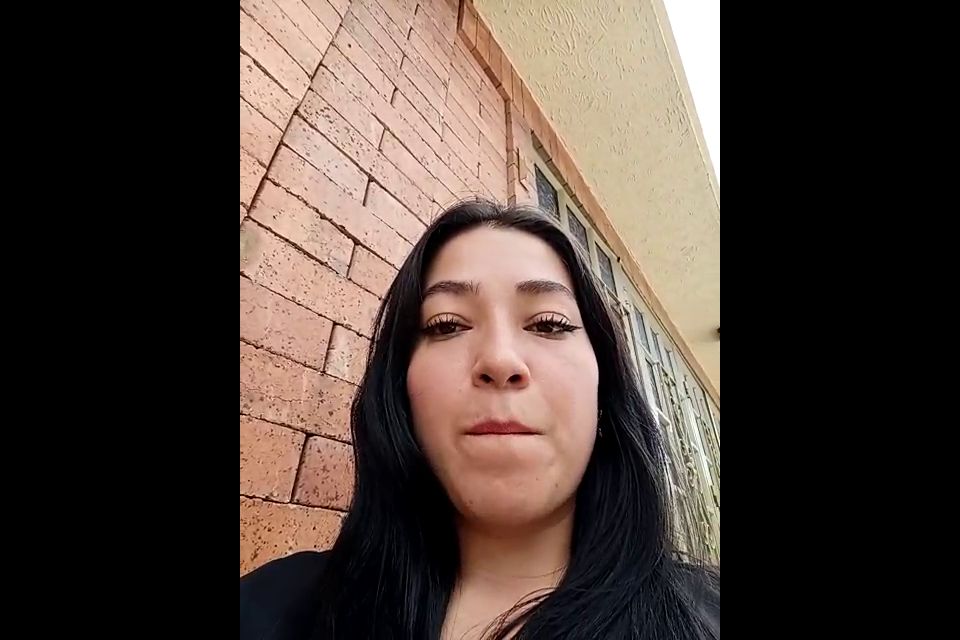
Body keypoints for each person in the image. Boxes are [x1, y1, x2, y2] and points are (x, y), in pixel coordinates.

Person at [240, 199, 720, 640]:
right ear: (400, 392)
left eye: (549, 323)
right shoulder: (271, 609)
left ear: (604, 388)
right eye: (446, 325)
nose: (499, 359)